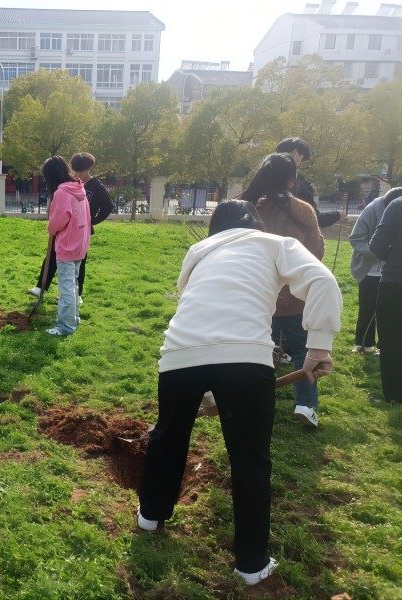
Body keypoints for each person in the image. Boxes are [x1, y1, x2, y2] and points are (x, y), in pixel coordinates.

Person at [137, 199, 341, 586]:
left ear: (217, 227)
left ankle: (150, 517)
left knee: (168, 436)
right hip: (246, 359)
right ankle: (251, 565)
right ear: (256, 224)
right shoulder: (275, 243)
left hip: (180, 353)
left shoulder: (200, 250)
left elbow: (201, 307)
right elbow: (323, 280)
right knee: (250, 459)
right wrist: (317, 346)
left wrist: (210, 390)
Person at [238, 153, 325, 427]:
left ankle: (252, 401)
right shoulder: (303, 210)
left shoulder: (247, 208)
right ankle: (306, 404)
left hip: (258, 295)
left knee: (259, 349)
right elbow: (316, 253)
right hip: (295, 295)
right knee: (301, 350)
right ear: (291, 179)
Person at [29, 152, 113, 303]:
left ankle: (76, 294)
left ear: (90, 168)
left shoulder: (95, 186)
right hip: (65, 228)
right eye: (77, 170)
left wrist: (92, 221)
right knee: (52, 256)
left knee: (78, 263)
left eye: (83, 170)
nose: (80, 173)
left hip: (81, 230)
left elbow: (108, 205)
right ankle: (42, 286)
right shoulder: (73, 184)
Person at [41, 156, 91, 336]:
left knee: (67, 288)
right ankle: (74, 318)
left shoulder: (62, 193)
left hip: (68, 246)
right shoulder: (79, 188)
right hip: (80, 244)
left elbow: (57, 222)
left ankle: (65, 327)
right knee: (74, 286)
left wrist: (50, 227)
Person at [349, 187, 402, 353]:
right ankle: (364, 343)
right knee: (367, 307)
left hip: (392, 272)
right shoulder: (371, 210)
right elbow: (356, 238)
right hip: (369, 269)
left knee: (389, 311)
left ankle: (384, 345)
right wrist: (377, 251)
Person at [369, 195, 402, 404]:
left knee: (391, 340)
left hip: (395, 280)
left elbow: (377, 244)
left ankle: (394, 396)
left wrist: (394, 259)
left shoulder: (397, 205)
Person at [275, 138, 344, 228]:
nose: (300, 164)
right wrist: (338, 215)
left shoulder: (263, 180)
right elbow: (314, 219)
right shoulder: (297, 185)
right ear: (295, 153)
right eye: (301, 159)